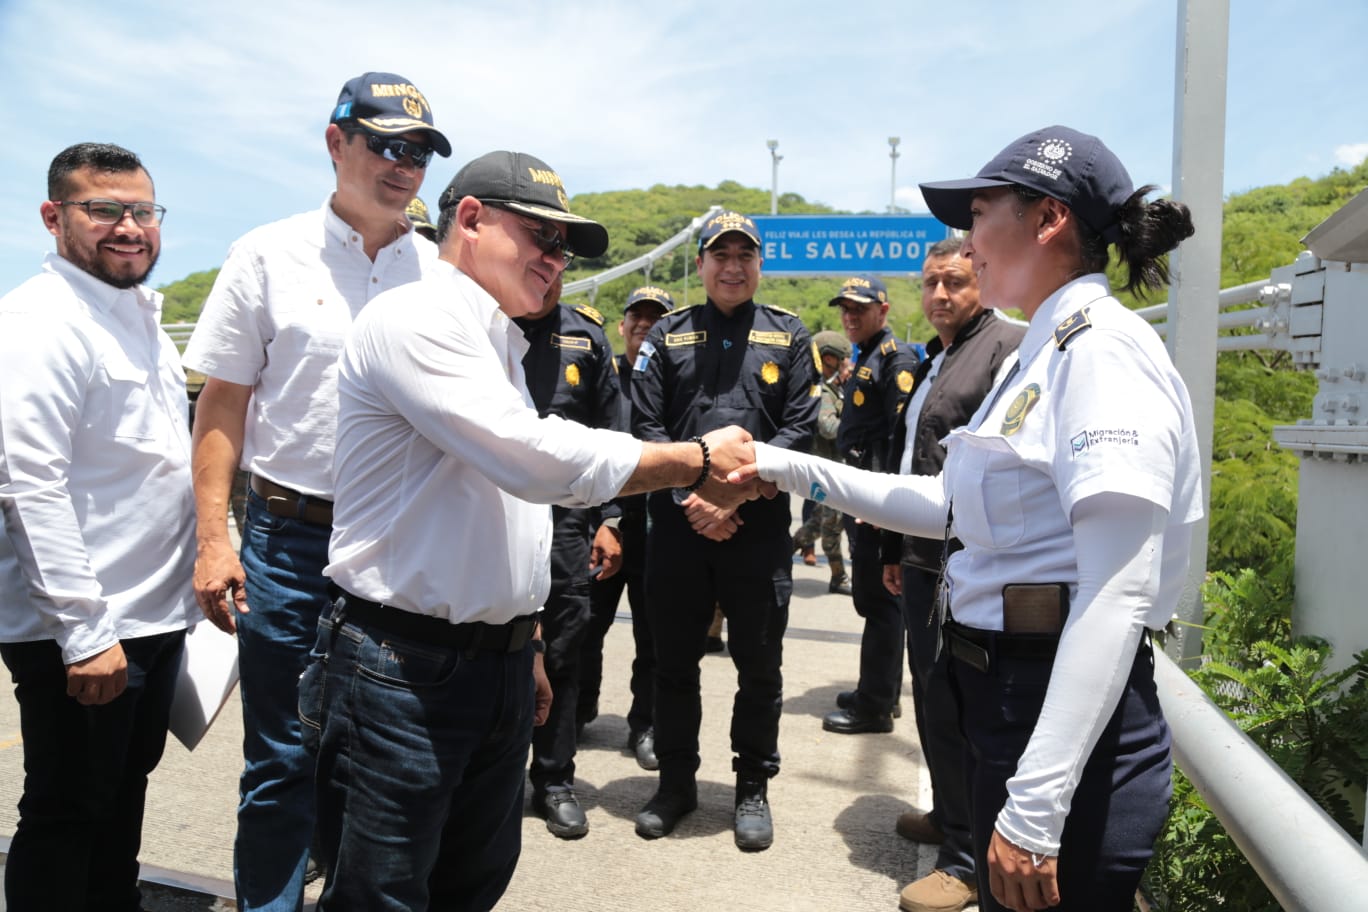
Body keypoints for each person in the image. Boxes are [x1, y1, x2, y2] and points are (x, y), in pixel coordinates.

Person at [732, 125, 1199, 912]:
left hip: (1056, 709)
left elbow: (1118, 590)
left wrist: (1037, 809)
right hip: (1008, 693)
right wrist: (784, 467)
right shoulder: (1041, 352)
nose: (968, 240)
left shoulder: (1101, 352)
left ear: (1048, 219)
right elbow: (950, 505)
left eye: (980, 214)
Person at [303, 149, 762, 911]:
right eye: (541, 236)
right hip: (402, 666)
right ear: (471, 219)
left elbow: (508, 515)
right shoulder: (416, 317)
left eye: (563, 249)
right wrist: (695, 459)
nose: (554, 260)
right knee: (379, 896)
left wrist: (527, 644)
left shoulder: (499, 342)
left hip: (494, 661)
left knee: (469, 884)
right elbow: (533, 461)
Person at [182, 71, 451, 911]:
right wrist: (215, 539)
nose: (404, 167)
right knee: (283, 756)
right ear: (336, 142)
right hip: (289, 540)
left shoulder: (442, 274)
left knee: (382, 757)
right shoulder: (266, 255)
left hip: (402, 542)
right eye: (386, 146)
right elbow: (221, 405)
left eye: (420, 154)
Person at [0, 142, 197, 911]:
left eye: (143, 210)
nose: (129, 227)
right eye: (104, 210)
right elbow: (28, 484)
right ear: (54, 217)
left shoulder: (139, 318)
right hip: (83, 627)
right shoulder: (40, 322)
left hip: (149, 618)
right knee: (67, 809)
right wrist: (83, 634)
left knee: (119, 799)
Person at [630, 210, 819, 851]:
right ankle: (675, 785)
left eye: (745, 256)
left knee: (759, 669)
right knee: (673, 665)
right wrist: (692, 497)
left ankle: (752, 788)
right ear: (702, 263)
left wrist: (734, 495)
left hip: (758, 530)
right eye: (721, 255)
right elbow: (645, 426)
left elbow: (800, 429)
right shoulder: (667, 334)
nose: (732, 267)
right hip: (678, 527)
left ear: (759, 264)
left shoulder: (790, 336)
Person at [879, 237, 1025, 912]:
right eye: (931, 282)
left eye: (955, 282)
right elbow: (914, 459)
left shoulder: (1005, 349)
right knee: (931, 695)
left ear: (982, 283)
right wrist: (894, 548)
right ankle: (947, 814)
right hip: (921, 556)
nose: (940, 294)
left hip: (964, 562)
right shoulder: (936, 358)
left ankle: (966, 859)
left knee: (959, 703)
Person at [513, 272, 622, 838]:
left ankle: (554, 780)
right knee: (489, 650)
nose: (548, 274)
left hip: (566, 523)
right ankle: (493, 779)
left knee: (562, 652)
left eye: (559, 263)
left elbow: (614, 433)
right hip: (491, 515)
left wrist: (612, 519)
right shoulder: (482, 321)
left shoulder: (587, 336)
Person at [579, 285, 675, 772]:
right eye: (637, 316)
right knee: (583, 626)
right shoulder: (601, 373)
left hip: (656, 529)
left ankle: (645, 725)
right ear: (622, 325)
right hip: (600, 525)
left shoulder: (674, 378)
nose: (644, 324)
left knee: (653, 636)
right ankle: (578, 710)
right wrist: (605, 519)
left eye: (656, 319)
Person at [824, 275, 920, 735]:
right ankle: (880, 691)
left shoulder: (894, 358)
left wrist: (882, 502)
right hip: (861, 492)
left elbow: (900, 437)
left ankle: (875, 706)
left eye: (859, 309)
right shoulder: (867, 354)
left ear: (882, 311)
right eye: (845, 309)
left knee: (880, 602)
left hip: (874, 500)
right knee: (874, 600)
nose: (850, 316)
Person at [791, 329, 853, 594]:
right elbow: (827, 427)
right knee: (831, 523)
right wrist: (853, 430)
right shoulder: (824, 392)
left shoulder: (831, 389)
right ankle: (838, 576)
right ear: (828, 358)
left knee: (819, 523)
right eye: (842, 360)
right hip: (826, 469)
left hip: (830, 467)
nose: (845, 365)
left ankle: (778, 557)